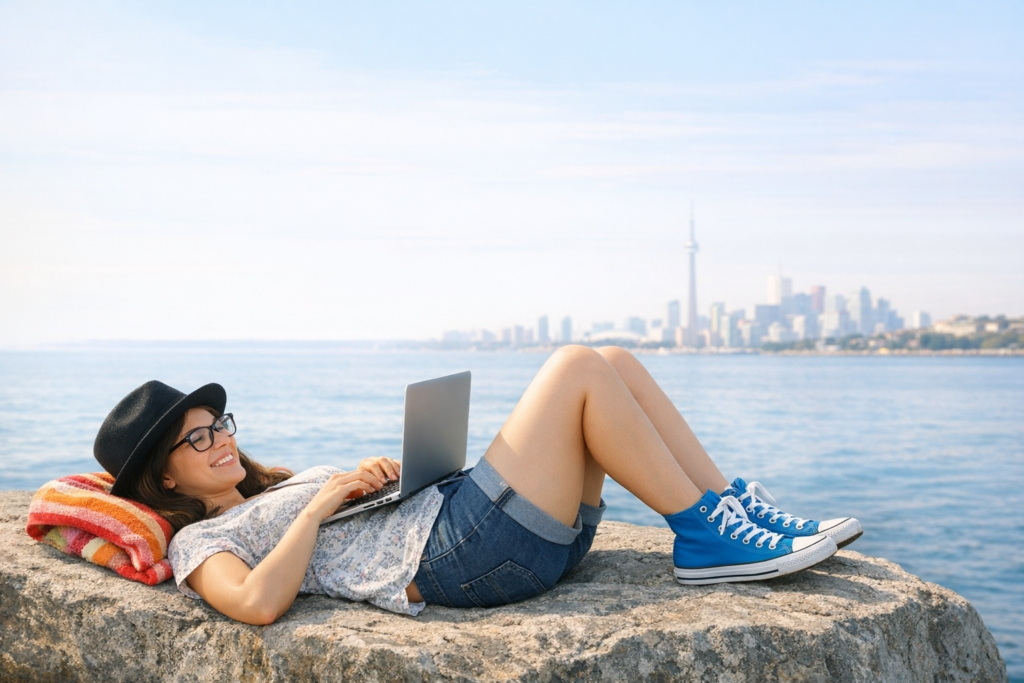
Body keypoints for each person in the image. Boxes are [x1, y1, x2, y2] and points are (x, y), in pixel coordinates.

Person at [93, 345, 861, 625]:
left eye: (220, 423)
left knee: (615, 360)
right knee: (575, 368)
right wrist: (327, 501)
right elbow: (256, 604)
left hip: (484, 535)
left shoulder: (270, 488)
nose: (222, 438)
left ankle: (725, 511)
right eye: (198, 436)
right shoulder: (201, 539)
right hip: (458, 558)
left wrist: (373, 481)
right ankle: (703, 537)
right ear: (166, 473)